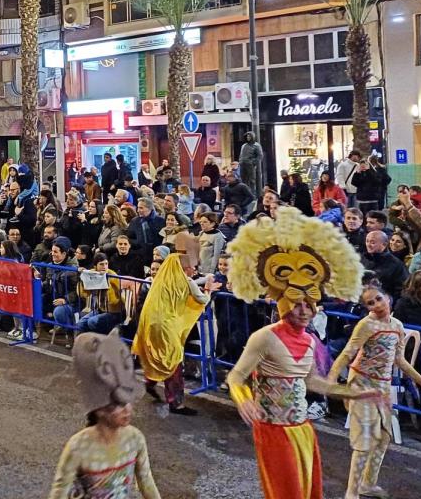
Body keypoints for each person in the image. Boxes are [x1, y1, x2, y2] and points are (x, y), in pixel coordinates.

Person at [226, 206, 376, 499]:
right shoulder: (264, 337)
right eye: (298, 304)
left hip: (302, 428)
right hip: (272, 430)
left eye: (310, 305)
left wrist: (351, 392)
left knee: (308, 491)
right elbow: (236, 376)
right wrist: (243, 401)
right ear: (284, 302)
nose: (305, 310)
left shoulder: (309, 341)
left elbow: (311, 383)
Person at [326, 286, 421, 499]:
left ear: (388, 298)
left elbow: (399, 360)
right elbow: (347, 354)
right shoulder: (366, 325)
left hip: (382, 386)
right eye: (370, 303)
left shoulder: (397, 325)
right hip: (361, 383)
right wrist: (332, 380)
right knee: (364, 440)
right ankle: (351, 493)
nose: (377, 305)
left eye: (379, 299)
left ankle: (368, 484)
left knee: (382, 437)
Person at [48, 330, 161, 499]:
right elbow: (59, 493)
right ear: (99, 408)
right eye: (118, 403)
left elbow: (146, 481)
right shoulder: (78, 447)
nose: (127, 409)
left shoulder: (135, 439)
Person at [132, 234, 212, 416]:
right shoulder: (186, 281)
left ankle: (150, 381)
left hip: (149, 323)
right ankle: (176, 403)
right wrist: (209, 288)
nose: (194, 269)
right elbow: (203, 299)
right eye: (192, 267)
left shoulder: (162, 278)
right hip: (166, 328)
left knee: (156, 356)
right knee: (174, 362)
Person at [360, 231, 408, 298]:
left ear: (384, 244)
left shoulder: (396, 264)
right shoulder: (361, 259)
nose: (368, 245)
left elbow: (401, 289)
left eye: (373, 242)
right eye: (367, 241)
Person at [238, 132, 264, 196]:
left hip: (250, 165)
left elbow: (260, 156)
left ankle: (252, 194)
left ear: (253, 137)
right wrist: (240, 161)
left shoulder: (256, 145)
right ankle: (244, 193)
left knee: (252, 180)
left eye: (249, 136)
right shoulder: (244, 145)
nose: (248, 138)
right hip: (242, 164)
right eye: (247, 136)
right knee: (243, 179)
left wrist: (253, 162)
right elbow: (241, 155)